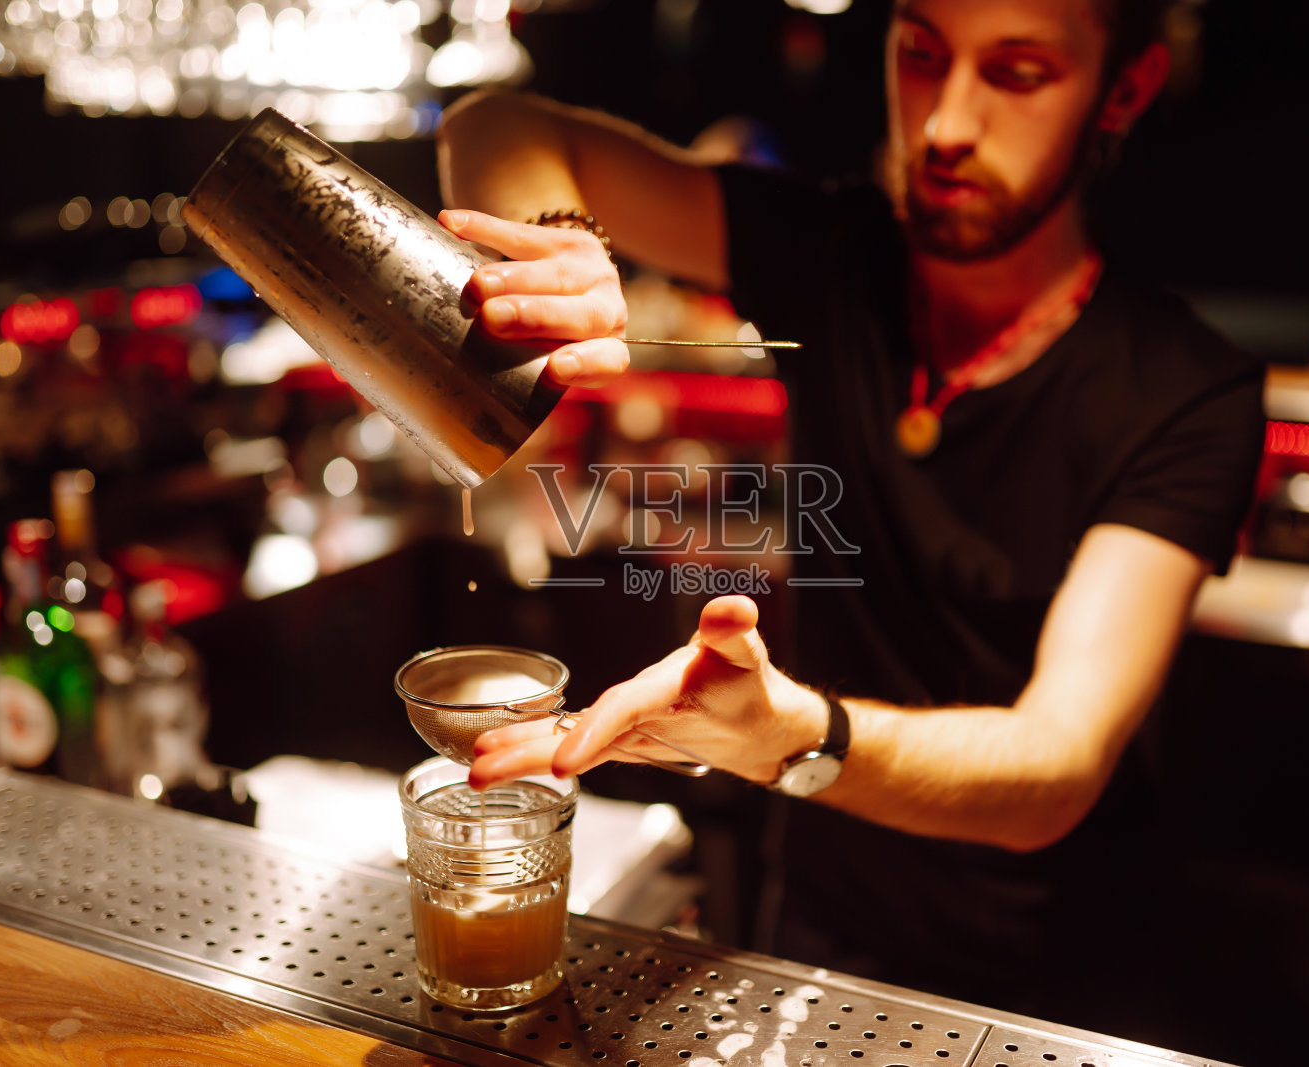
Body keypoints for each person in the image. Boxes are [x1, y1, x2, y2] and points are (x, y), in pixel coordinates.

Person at [435, 0, 1265, 1024]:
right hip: (817, 937)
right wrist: (556, 247)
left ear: (1123, 89)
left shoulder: (1183, 390)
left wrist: (792, 735)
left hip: (1055, 986)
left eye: (1016, 73)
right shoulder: (833, 255)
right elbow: (495, 124)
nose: (944, 124)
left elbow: (1057, 762)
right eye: (921, 53)